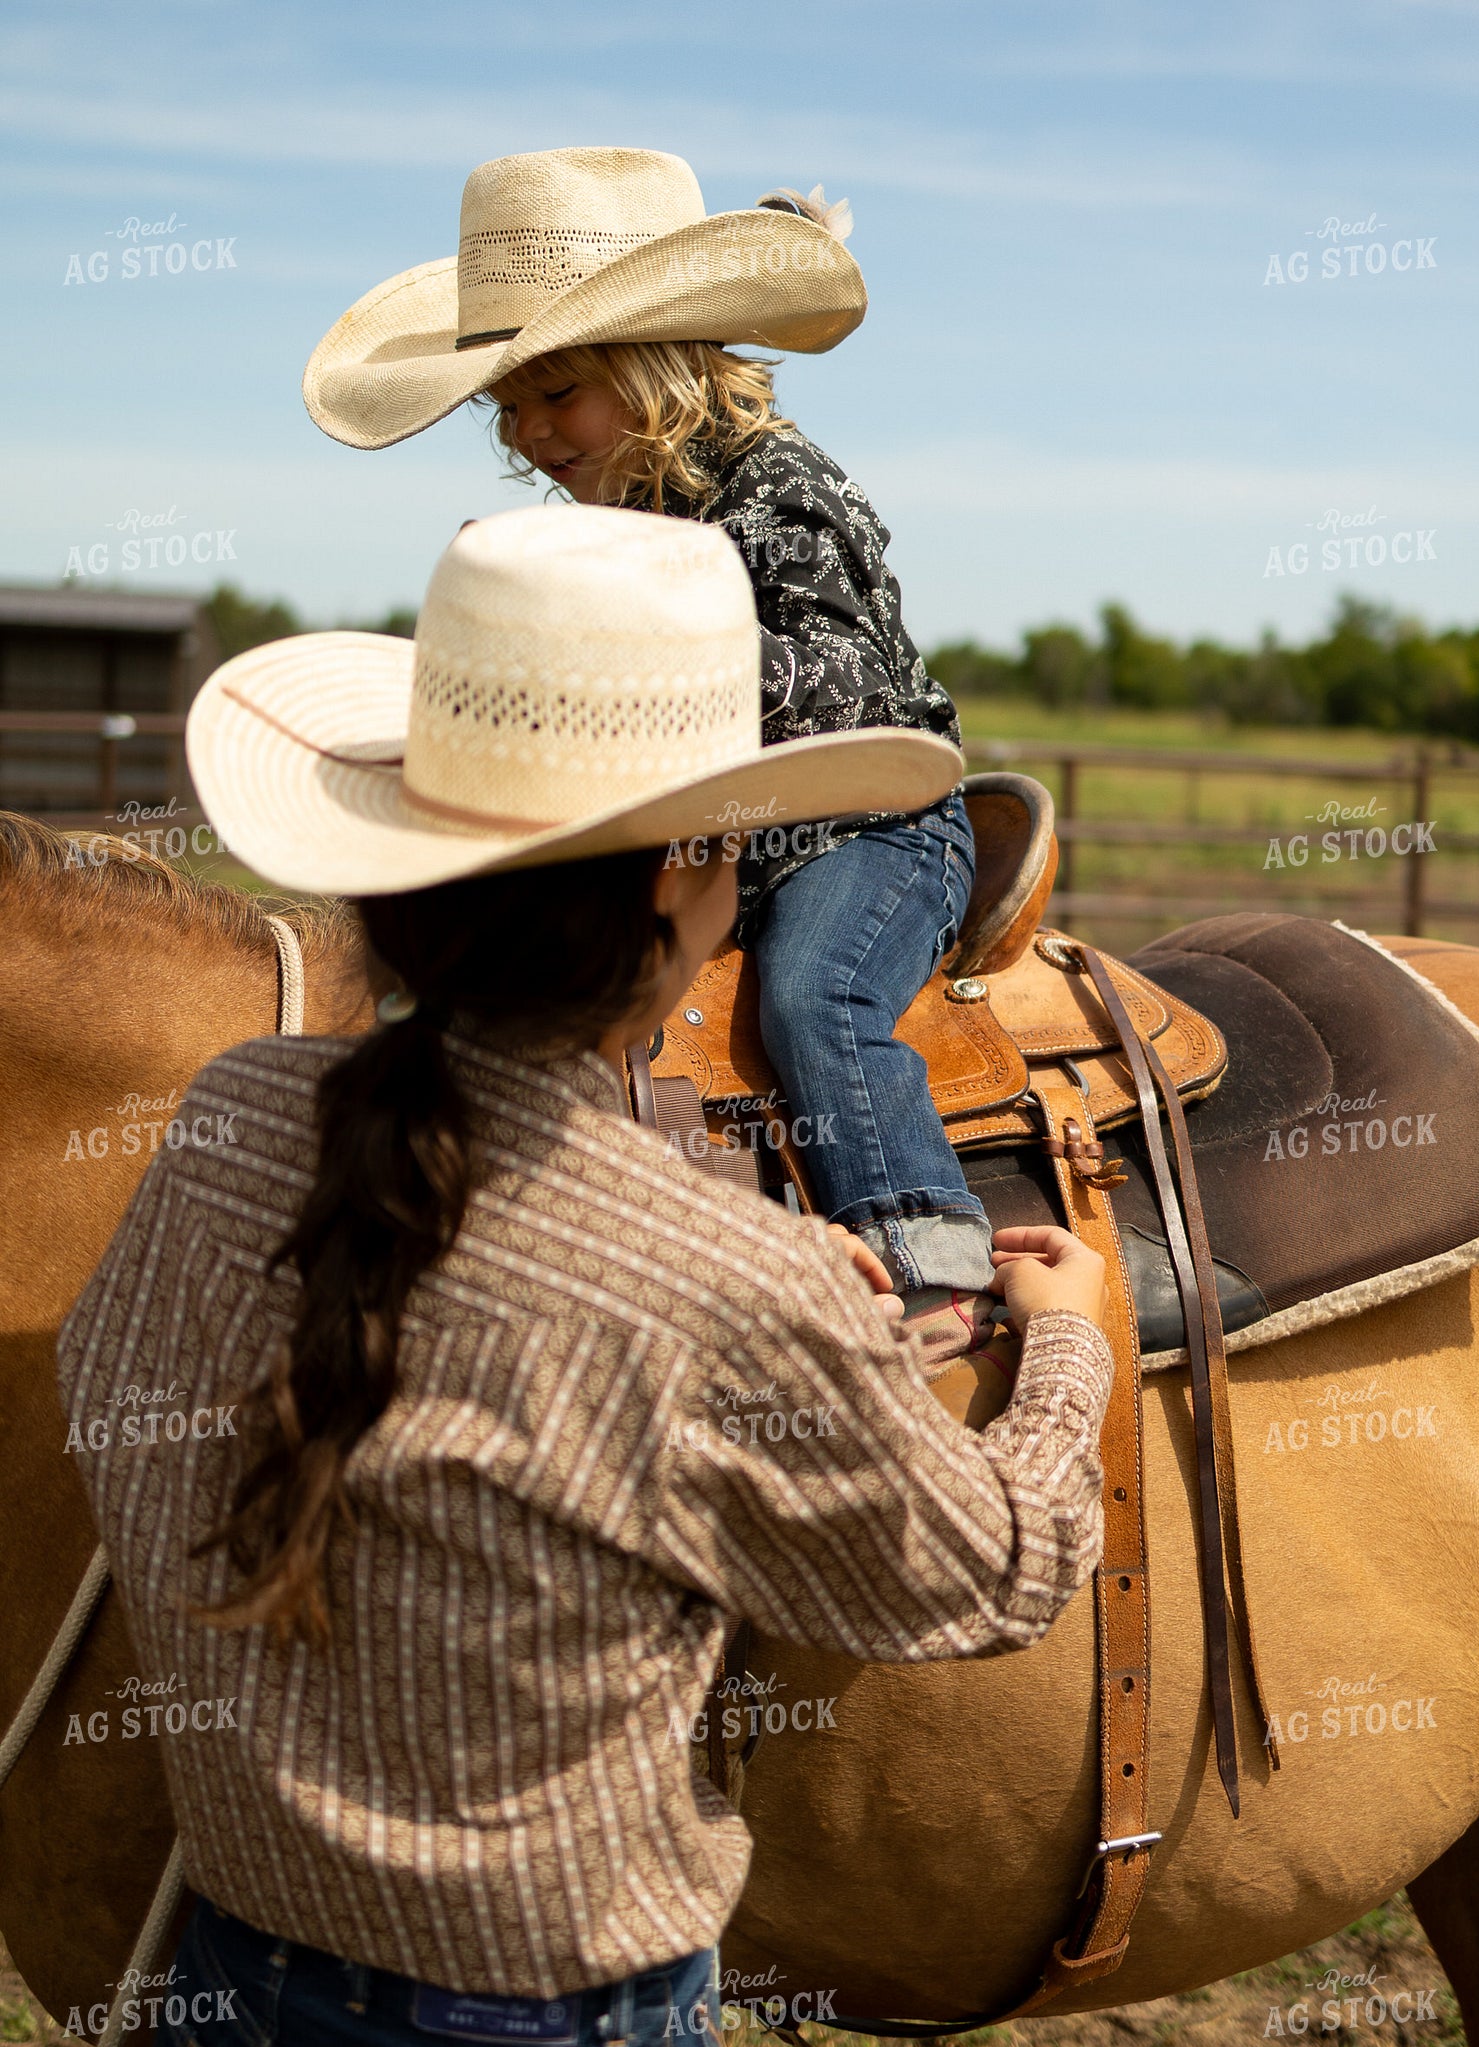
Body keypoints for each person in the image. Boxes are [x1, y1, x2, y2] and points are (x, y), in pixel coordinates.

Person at [59, 507, 1110, 2047]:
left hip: (234, 2043)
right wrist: (1066, 1335)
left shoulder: (231, 1120)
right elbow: (1000, 1566)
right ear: (681, 885)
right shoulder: (723, 1279)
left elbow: (128, 1397)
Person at [304, 144, 998, 1370]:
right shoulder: (623, 511)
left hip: (871, 824)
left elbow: (838, 687)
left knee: (815, 996)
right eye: (508, 408)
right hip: (719, 832)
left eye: (558, 394)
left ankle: (925, 1251)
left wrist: (623, 664)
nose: (529, 432)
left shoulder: (780, 486)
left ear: (660, 366)